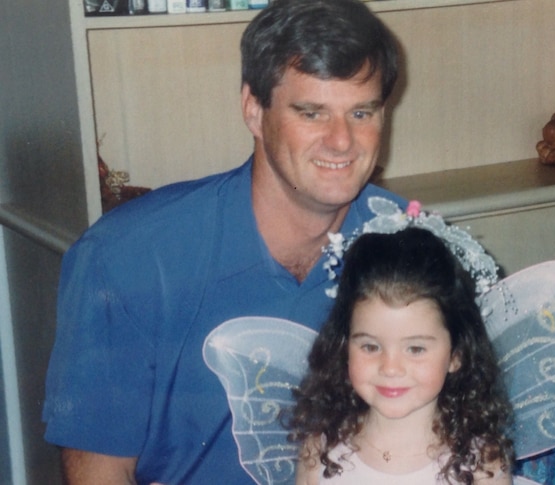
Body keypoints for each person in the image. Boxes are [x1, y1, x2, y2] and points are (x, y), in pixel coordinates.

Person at [41, 0, 402, 483]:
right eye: (311, 113)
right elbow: (99, 472)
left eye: (361, 112)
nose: (341, 141)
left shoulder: (411, 246)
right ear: (254, 110)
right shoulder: (128, 261)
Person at [289, 227, 514, 484]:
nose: (390, 368)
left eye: (415, 349)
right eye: (370, 347)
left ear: (456, 355)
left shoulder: (482, 465)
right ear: (343, 346)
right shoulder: (319, 452)